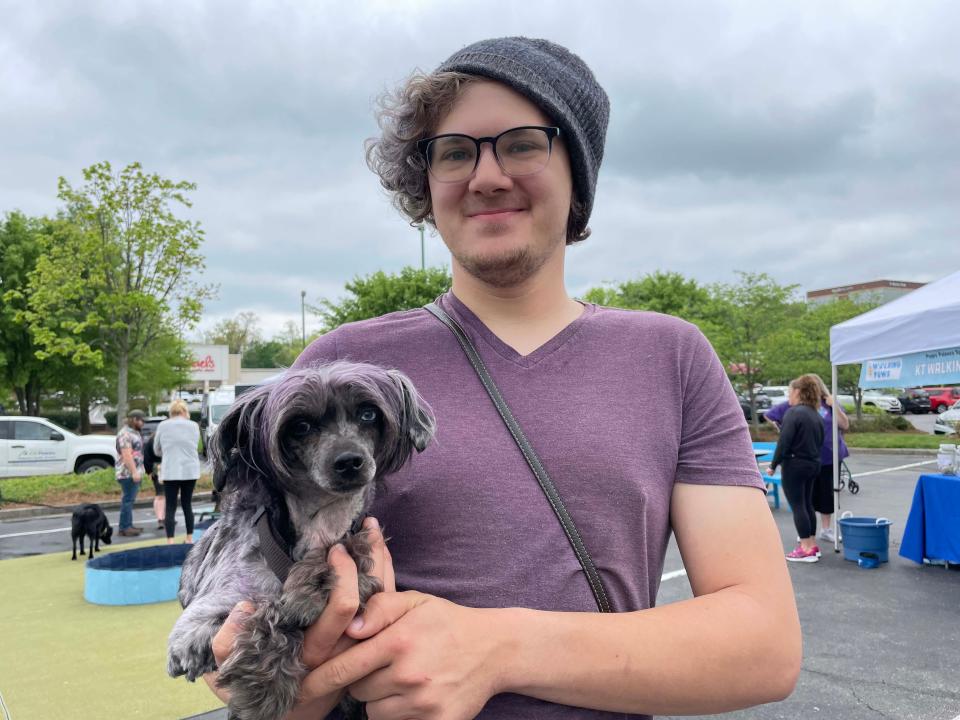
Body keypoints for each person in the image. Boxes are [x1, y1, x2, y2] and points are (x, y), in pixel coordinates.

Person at [204, 37, 801, 719]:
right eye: (455, 152)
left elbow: (764, 645)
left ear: (577, 171)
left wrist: (499, 648)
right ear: (424, 184)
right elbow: (246, 599)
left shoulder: (672, 356)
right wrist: (277, 678)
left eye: (522, 144)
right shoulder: (339, 373)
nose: (485, 176)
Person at [765, 374, 849, 543]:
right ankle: (807, 535)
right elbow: (770, 416)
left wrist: (835, 407)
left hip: (827, 456)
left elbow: (845, 425)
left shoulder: (825, 405)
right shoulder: (796, 409)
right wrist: (781, 427)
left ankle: (819, 533)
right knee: (805, 500)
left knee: (823, 496)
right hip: (810, 457)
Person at [766, 375, 826, 563]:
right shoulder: (815, 414)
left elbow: (784, 441)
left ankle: (805, 548)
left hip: (795, 465)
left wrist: (773, 465)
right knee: (807, 504)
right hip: (813, 464)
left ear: (798, 392)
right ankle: (812, 545)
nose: (788, 396)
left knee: (798, 506)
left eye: (790, 392)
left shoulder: (794, 413)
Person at [153, 399, 201, 545]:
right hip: (190, 470)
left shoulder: (163, 425)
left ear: (171, 412)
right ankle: (189, 538)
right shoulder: (193, 426)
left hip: (171, 469)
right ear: (184, 411)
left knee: (171, 506)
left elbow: (156, 449)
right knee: (187, 504)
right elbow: (196, 446)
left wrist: (167, 453)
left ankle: (170, 540)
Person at [115, 408, 146, 537]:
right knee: (127, 500)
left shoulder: (134, 432)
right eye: (141, 420)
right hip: (127, 473)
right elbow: (127, 455)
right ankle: (124, 527)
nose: (143, 423)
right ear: (134, 420)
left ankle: (129, 524)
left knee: (130, 499)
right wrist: (134, 472)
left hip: (134, 471)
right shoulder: (125, 434)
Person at [143, 432, 165, 530]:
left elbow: (146, 457)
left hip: (156, 469)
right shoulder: (159, 441)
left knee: (161, 494)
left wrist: (149, 471)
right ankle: (161, 518)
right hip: (162, 469)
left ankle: (162, 517)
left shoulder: (150, 441)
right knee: (161, 495)